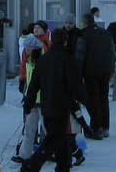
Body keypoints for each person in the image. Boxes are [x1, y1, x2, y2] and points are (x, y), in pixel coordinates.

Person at [20, 27, 85, 172]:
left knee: (59, 141)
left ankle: (63, 167)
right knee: (54, 140)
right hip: (62, 107)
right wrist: (83, 100)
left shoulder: (44, 59)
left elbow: (34, 83)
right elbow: (76, 85)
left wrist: (28, 102)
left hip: (46, 105)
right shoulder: (68, 59)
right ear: (65, 41)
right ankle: (31, 165)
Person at [76, 13, 114, 139]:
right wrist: (111, 69)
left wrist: (78, 73)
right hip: (105, 70)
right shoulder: (105, 33)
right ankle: (105, 126)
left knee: (93, 100)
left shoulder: (83, 35)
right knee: (103, 99)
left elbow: (80, 56)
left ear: (84, 22)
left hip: (90, 71)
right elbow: (111, 51)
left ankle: (97, 127)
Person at [13, 43, 43, 164]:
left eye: (28, 48)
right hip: (31, 99)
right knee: (29, 128)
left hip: (43, 100)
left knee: (48, 130)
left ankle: (49, 153)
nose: (25, 50)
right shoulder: (28, 60)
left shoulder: (44, 60)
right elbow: (28, 78)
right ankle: (24, 154)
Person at [19, 22, 52, 92]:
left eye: (39, 28)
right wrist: (22, 79)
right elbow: (23, 63)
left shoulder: (49, 44)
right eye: (35, 28)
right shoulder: (29, 42)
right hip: (29, 80)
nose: (36, 30)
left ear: (44, 30)